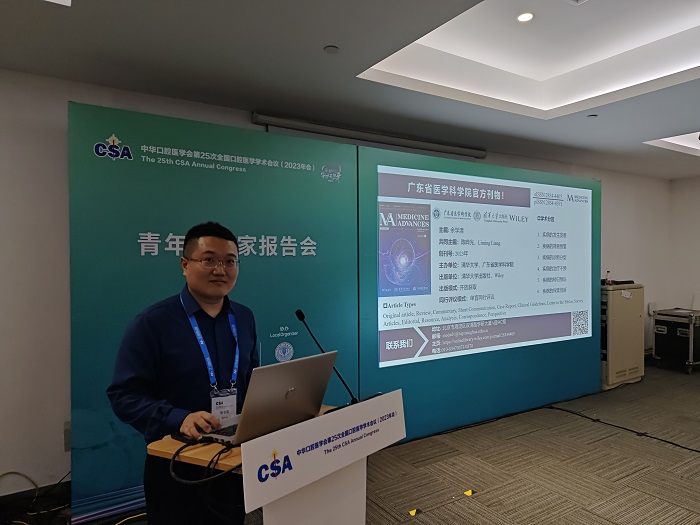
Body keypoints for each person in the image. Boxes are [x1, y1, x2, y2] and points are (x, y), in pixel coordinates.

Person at [107, 221, 258, 525]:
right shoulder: (153, 323)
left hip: (233, 460)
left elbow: (252, 380)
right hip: (178, 466)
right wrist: (180, 417)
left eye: (230, 261)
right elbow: (124, 395)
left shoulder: (244, 318)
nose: (221, 270)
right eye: (209, 259)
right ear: (185, 265)